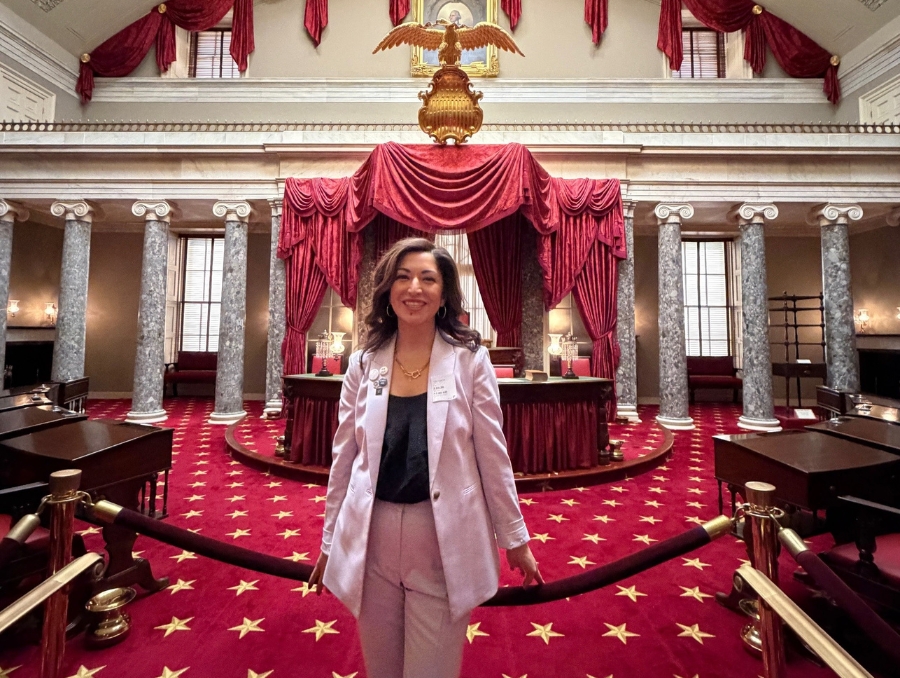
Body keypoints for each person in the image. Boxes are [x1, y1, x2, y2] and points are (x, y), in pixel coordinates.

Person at [309, 237, 542, 678]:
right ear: (388, 291)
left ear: (443, 295)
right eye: (403, 277)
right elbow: (345, 459)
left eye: (427, 279)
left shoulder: (470, 361)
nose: (414, 287)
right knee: (381, 670)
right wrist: (328, 542)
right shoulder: (363, 363)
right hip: (371, 540)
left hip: (442, 540)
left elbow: (493, 455)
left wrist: (515, 539)